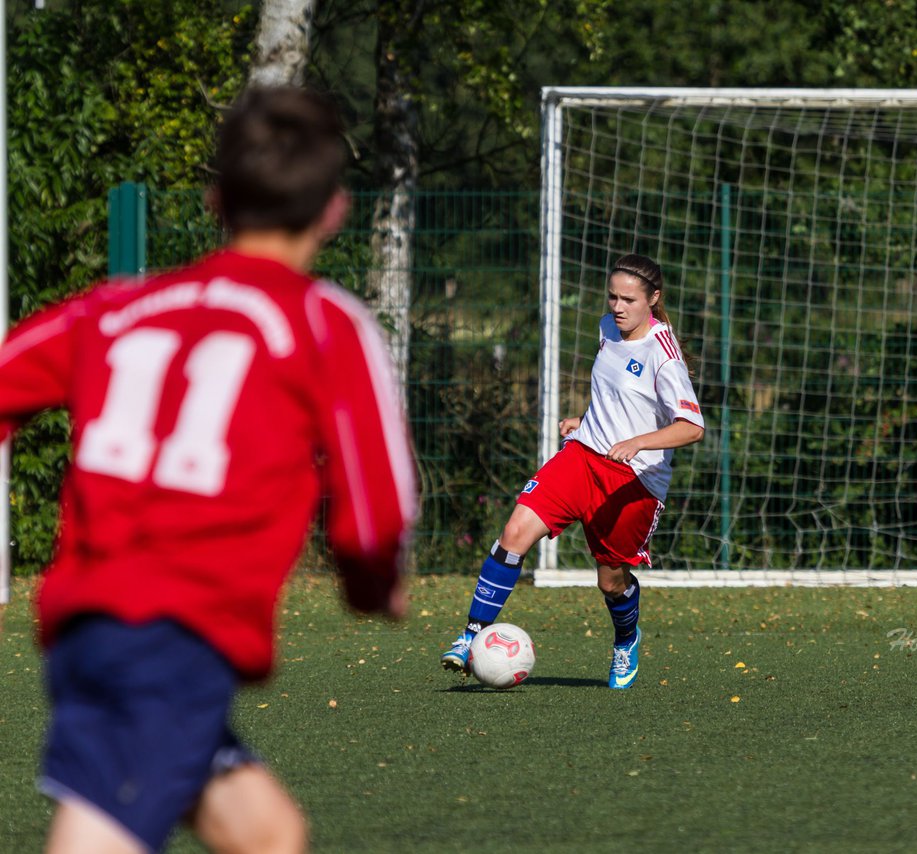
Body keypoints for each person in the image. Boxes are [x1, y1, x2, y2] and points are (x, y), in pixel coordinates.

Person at [0, 86, 417, 854]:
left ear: (215, 200)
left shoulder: (116, 308)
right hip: (174, 636)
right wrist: (372, 583)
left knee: (266, 834)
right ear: (335, 209)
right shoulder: (324, 323)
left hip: (92, 626)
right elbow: (375, 503)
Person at [441, 253, 704, 690]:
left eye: (629, 300)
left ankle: (625, 639)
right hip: (581, 457)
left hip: (632, 481)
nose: (617, 307)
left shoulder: (664, 355)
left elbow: (692, 427)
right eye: (612, 297)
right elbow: (615, 394)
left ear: (653, 299)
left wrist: (637, 442)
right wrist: (586, 422)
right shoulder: (607, 329)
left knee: (611, 581)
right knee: (513, 535)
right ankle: (470, 637)